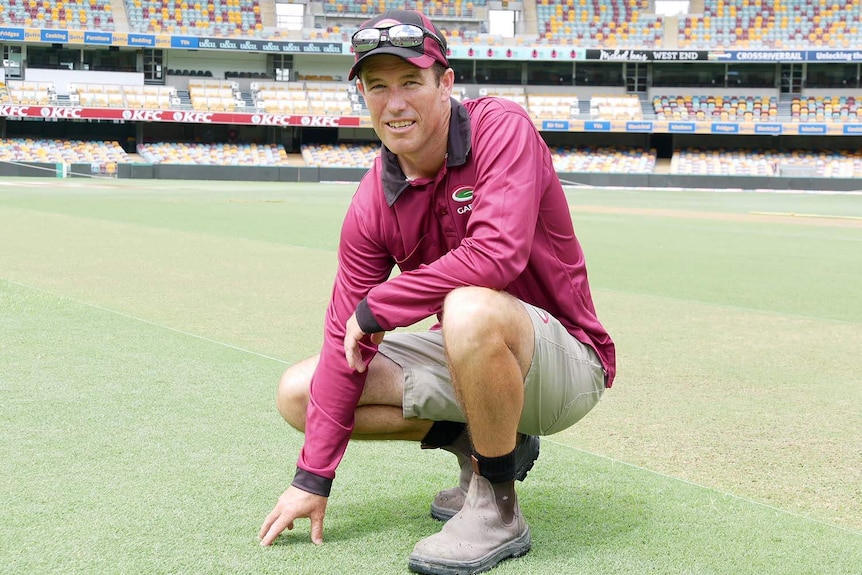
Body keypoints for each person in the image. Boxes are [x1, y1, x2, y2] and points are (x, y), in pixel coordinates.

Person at [258, 9, 616, 574]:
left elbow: (495, 256)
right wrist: (313, 478)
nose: (394, 103)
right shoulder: (373, 199)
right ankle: (491, 448)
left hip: (566, 363)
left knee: (467, 307)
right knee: (299, 391)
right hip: (471, 353)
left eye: (410, 82)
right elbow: (340, 337)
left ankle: (498, 507)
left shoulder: (502, 128)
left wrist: (381, 307)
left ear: (445, 83)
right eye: (378, 87)